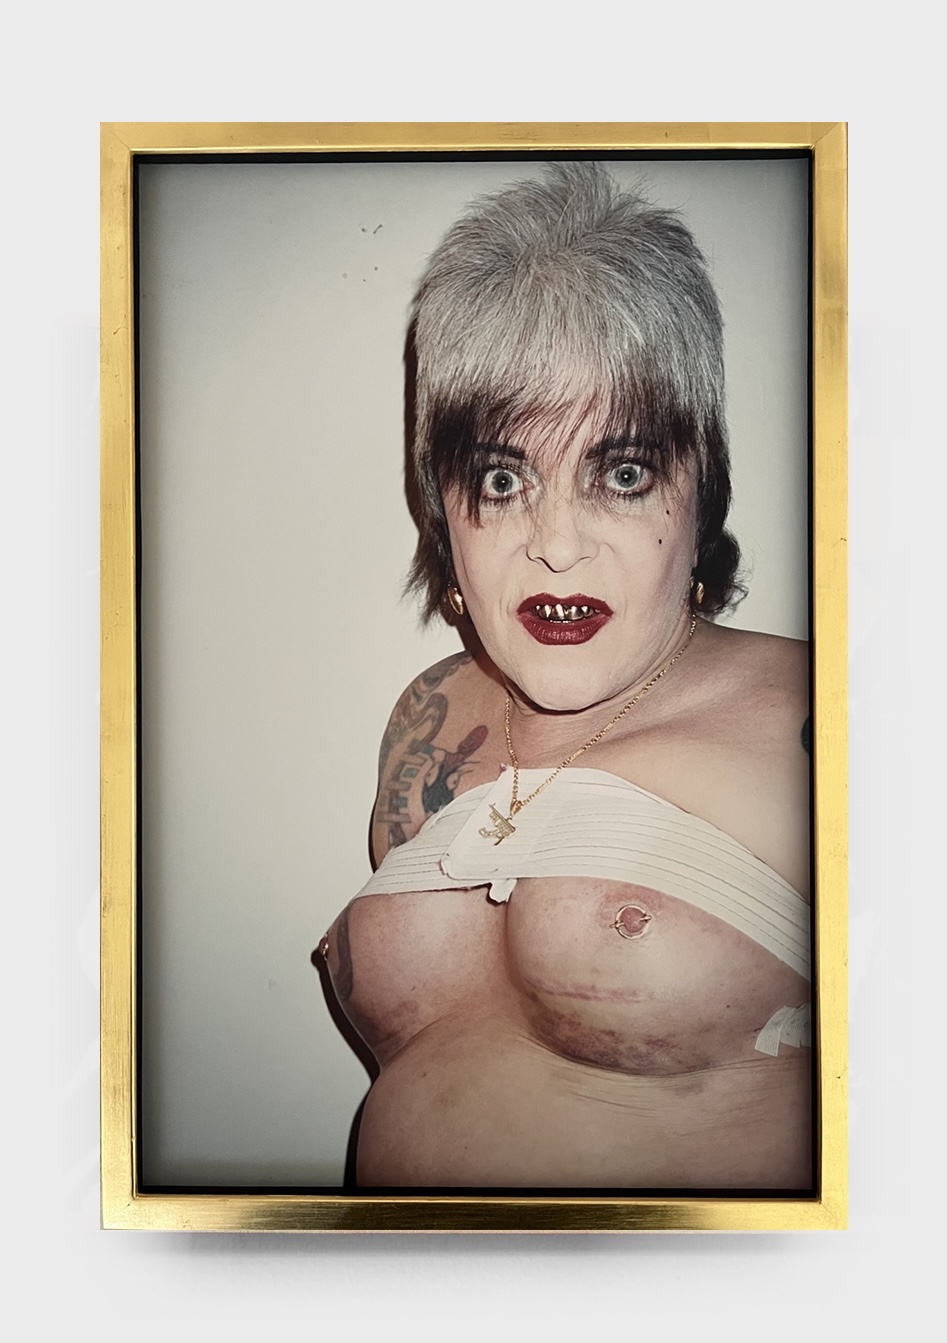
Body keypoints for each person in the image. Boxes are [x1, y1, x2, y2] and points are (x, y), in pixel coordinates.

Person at [316, 163, 811, 1190]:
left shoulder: (823, 722)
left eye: (620, 473)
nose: (554, 544)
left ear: (701, 490)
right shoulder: (427, 715)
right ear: (441, 505)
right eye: (503, 478)